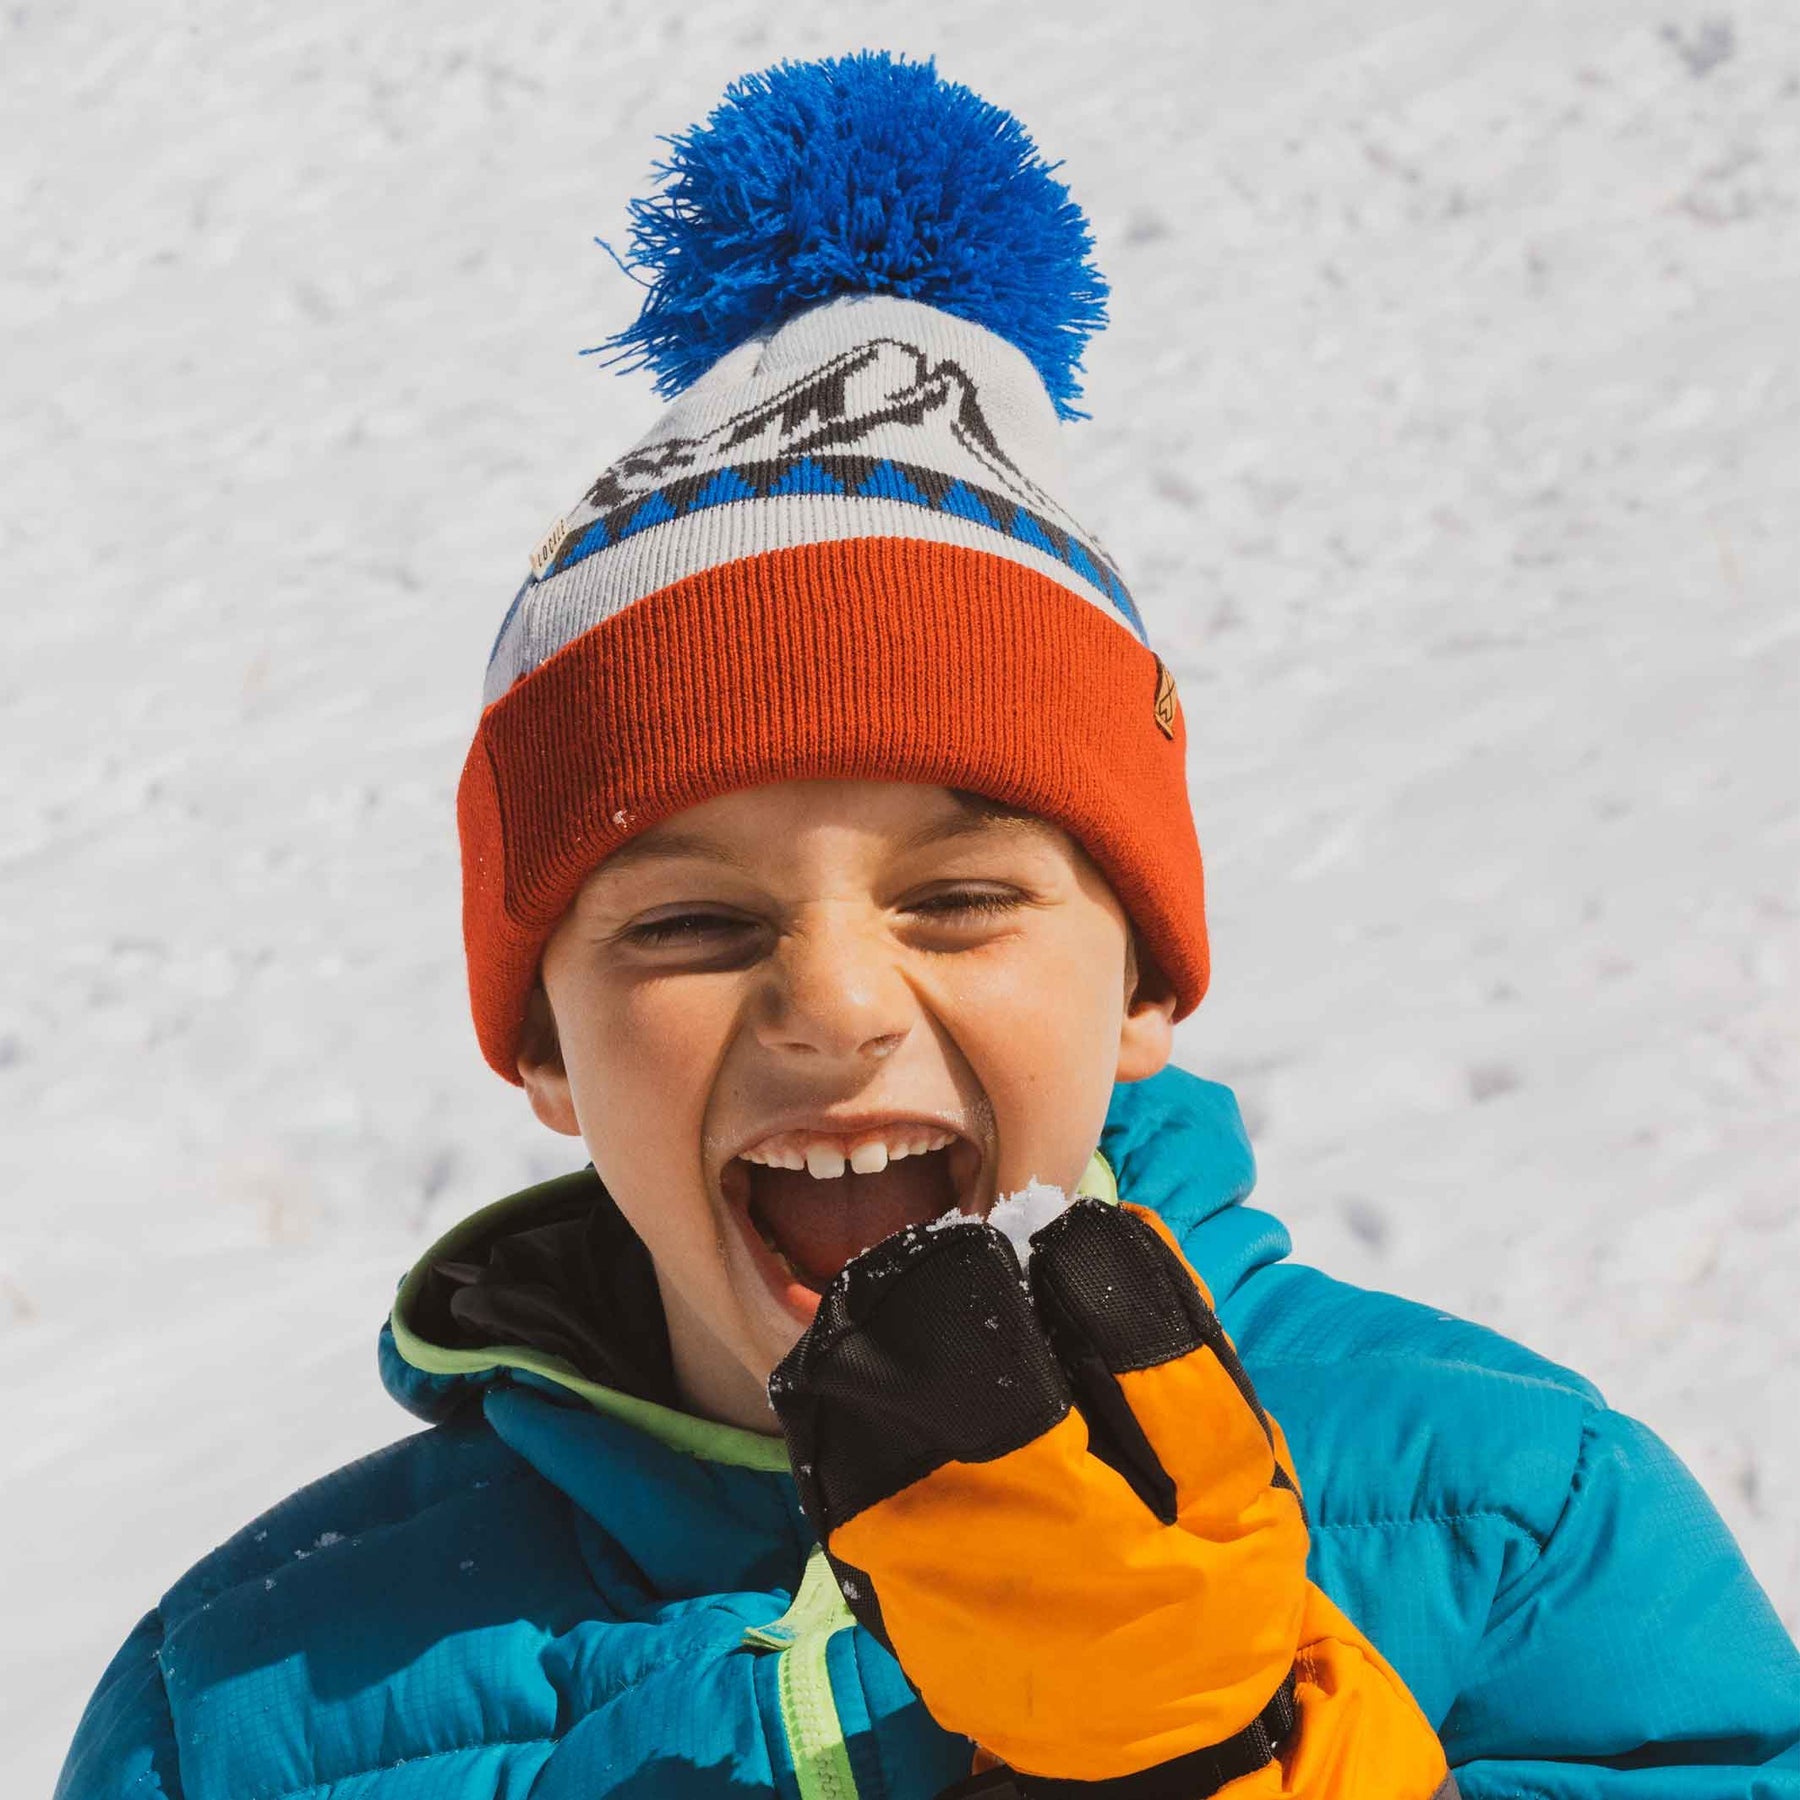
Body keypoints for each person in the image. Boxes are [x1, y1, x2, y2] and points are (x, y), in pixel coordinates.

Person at [56, 51, 1800, 1800]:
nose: (833, 996)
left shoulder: (1509, 1521)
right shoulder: (245, 1715)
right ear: (539, 1044)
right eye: (686, 924)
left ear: (1141, 985)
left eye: (960, 900)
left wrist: (1221, 1766)